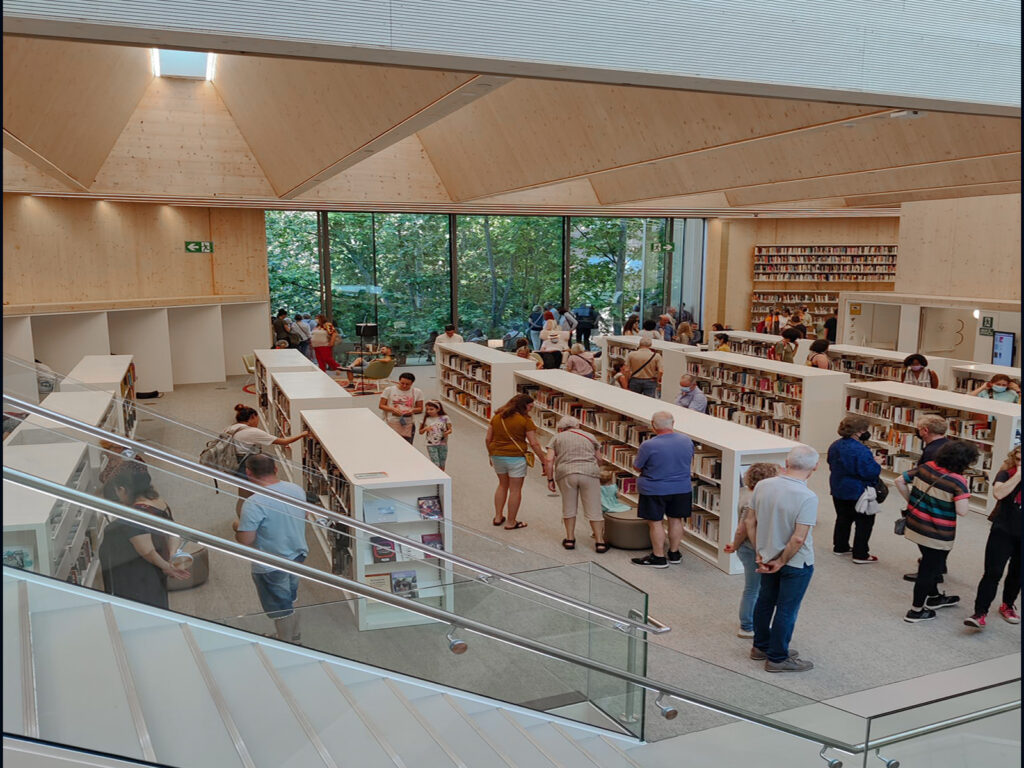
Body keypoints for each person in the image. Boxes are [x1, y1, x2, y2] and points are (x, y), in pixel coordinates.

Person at [745, 445, 820, 672]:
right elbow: (798, 538)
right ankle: (778, 657)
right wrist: (782, 561)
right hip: (795, 562)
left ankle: (761, 646)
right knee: (787, 609)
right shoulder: (808, 497)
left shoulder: (762, 485)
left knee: (765, 600)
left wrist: (761, 551)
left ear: (786, 463)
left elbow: (750, 521)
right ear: (815, 467)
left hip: (766, 555)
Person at [895, 441, 979, 623]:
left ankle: (934, 596)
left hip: (916, 524)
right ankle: (916, 610)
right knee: (928, 568)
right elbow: (962, 511)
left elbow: (899, 480)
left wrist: (911, 500)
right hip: (937, 532)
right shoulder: (958, 480)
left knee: (930, 562)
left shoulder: (926, 466)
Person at [233, 454, 308, 643]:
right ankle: (295, 636)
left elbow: (246, 540)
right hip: (297, 555)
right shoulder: (296, 489)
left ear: (249, 473)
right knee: (290, 599)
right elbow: (302, 515)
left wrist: (237, 526)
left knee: (280, 609)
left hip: (271, 564)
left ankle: (286, 643)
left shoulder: (254, 503)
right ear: (276, 468)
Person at [100, 466, 190, 609]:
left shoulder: (137, 514)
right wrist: (172, 556)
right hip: (153, 569)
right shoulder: (158, 502)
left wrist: (167, 567)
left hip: (134, 572)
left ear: (123, 489)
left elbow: (147, 551)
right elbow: (173, 532)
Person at [964, 446, 1022, 629]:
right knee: (993, 572)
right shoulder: (1006, 474)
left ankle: (1008, 605)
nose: (1021, 463)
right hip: (1003, 531)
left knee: (1017, 573)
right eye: (1019, 459)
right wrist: (1019, 475)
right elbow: (998, 493)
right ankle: (980, 612)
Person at [723, 463, 780, 638]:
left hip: (747, 547)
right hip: (751, 548)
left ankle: (751, 622)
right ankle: (747, 626)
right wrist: (735, 545)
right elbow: (743, 528)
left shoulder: (747, 494)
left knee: (755, 588)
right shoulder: (754, 501)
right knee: (753, 589)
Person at [631, 411, 693, 568]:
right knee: (676, 520)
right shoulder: (686, 440)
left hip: (654, 489)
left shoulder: (649, 445)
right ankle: (674, 553)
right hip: (681, 488)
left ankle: (658, 556)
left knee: (655, 523)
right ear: (673, 423)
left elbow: (637, 466)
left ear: (653, 425)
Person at [226, 405, 310, 511]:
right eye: (257, 419)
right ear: (252, 417)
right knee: (254, 496)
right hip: (247, 466)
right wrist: (303, 434)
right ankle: (247, 519)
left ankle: (246, 517)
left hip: (235, 464)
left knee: (244, 494)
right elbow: (284, 442)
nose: (258, 422)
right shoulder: (252, 432)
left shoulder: (232, 428)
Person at [543, 416, 607, 552]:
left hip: (566, 473)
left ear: (561, 428)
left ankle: (570, 539)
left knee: (569, 506)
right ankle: (600, 542)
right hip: (589, 473)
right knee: (594, 508)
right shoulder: (590, 436)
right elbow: (599, 459)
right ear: (577, 426)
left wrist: (550, 479)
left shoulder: (557, 438)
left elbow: (549, 460)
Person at [485, 394, 546, 530]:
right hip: (516, 457)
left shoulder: (496, 417)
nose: (530, 410)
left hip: (497, 455)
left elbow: (488, 439)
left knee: (502, 485)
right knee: (515, 490)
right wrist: (543, 461)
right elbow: (534, 443)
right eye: (530, 406)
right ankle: (511, 522)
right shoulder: (525, 421)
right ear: (523, 405)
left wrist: (490, 455)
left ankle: (498, 517)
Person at [827, 415, 883, 563]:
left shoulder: (835, 445)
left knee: (843, 517)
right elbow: (869, 472)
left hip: (838, 487)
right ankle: (861, 554)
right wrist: (876, 463)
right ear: (859, 431)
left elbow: (830, 462)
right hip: (858, 490)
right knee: (864, 522)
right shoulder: (861, 450)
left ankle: (840, 546)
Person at [903, 415, 951, 584]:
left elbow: (927, 475)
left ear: (925, 430)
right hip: (947, 498)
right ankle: (939, 564)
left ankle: (931, 569)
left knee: (926, 533)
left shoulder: (931, 452)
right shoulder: (948, 445)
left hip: (930, 498)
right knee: (943, 532)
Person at [379, 372, 424, 443]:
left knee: (408, 445)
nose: (404, 386)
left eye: (407, 384)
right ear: (399, 381)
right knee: (391, 444)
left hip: (408, 422)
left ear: (412, 383)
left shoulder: (417, 392)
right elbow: (381, 405)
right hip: (391, 421)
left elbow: (420, 408)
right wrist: (392, 409)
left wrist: (412, 410)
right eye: (402, 383)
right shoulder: (389, 390)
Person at [419, 400, 453, 470]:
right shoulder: (425, 419)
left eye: (431, 409)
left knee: (442, 462)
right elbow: (420, 432)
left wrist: (446, 432)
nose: (429, 411)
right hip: (431, 444)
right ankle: (437, 477)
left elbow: (450, 430)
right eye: (427, 409)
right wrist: (426, 428)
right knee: (435, 462)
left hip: (443, 443)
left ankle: (442, 477)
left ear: (438, 409)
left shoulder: (445, 418)